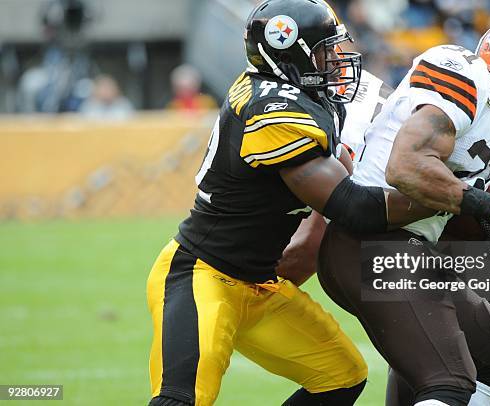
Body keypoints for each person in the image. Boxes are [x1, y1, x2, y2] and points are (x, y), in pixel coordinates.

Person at [146, 1, 435, 405]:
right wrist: (450, 200)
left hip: (259, 284)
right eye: (324, 50)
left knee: (341, 376)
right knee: (181, 399)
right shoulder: (274, 110)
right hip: (204, 275)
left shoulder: (303, 96)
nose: (337, 60)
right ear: (289, 50)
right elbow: (351, 206)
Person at [316, 19, 490, 406]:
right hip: (371, 241)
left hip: (405, 245)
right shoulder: (467, 75)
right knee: (450, 381)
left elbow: (451, 200)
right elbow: (405, 167)